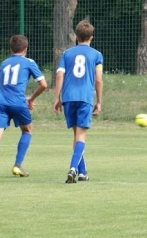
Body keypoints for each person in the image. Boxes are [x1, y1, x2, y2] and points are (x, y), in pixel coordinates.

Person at [0, 35, 47, 181]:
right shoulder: (29, 62)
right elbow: (43, 85)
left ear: (10, 49)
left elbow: (6, 86)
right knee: (27, 130)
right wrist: (31, 99)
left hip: (0, 103)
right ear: (25, 49)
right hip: (18, 103)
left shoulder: (4, 63)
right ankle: (17, 165)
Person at [54, 19, 103, 184]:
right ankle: (73, 168)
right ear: (91, 38)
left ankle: (82, 172)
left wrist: (57, 97)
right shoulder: (96, 55)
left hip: (68, 97)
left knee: (76, 135)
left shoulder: (66, 54)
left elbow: (60, 74)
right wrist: (99, 101)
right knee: (81, 135)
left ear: (76, 36)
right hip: (84, 97)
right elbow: (98, 80)